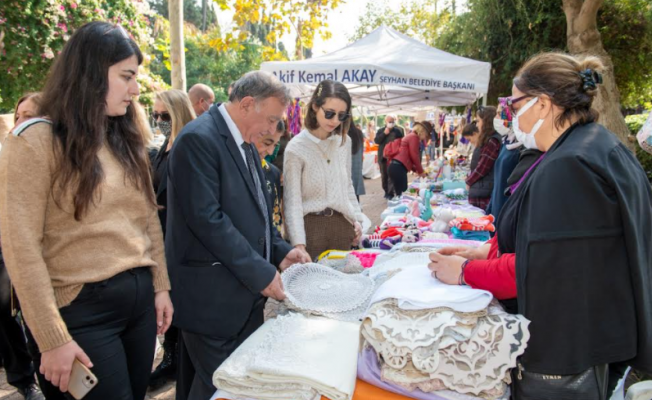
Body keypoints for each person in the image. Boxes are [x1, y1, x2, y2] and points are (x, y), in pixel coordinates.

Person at [429, 52, 652, 399]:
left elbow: (542, 268)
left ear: (544, 105)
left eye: (515, 107)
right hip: (592, 336)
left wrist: (465, 271)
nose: (511, 117)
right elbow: (553, 242)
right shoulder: (591, 146)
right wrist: (483, 251)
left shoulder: (570, 165)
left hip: (565, 353)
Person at [0, 21, 173, 400]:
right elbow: (20, 246)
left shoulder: (123, 137)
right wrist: (50, 338)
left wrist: (160, 286)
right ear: (92, 73)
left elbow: (147, 219)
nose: (136, 87)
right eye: (126, 76)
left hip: (140, 306)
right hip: (80, 314)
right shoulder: (33, 141)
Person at [165, 71, 311, 400]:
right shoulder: (198, 139)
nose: (274, 130)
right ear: (247, 104)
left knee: (228, 385)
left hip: (240, 298)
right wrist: (262, 273)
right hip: (211, 299)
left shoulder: (243, 141)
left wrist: (280, 251)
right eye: (272, 119)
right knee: (224, 386)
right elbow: (208, 221)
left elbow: (257, 212)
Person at [284, 80, 365, 260]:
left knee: (345, 285)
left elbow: (347, 187)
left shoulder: (345, 142)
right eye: (329, 113)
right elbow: (292, 201)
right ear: (315, 106)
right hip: (310, 231)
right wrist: (299, 243)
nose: (335, 121)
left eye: (341, 115)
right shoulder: (295, 148)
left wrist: (358, 220)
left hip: (343, 228)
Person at [148, 89, 196, 389]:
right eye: (155, 115)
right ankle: (170, 357)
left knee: (176, 300)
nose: (159, 120)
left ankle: (175, 361)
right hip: (159, 235)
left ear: (178, 112)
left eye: (164, 116)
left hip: (178, 237)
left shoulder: (188, 144)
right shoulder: (165, 145)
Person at [0, 94, 46, 400]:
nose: (20, 122)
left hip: (39, 254)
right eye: (17, 116)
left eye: (28, 115)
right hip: (5, 248)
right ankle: (23, 379)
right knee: (4, 312)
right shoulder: (8, 151)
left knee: (36, 319)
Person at [486, 103, 522, 220]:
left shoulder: (519, 147)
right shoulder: (507, 143)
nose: (496, 118)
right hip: (497, 209)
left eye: (499, 114)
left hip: (505, 212)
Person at [464, 107, 501, 210]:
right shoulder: (487, 139)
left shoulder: (492, 141)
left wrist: (469, 180)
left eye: (479, 121)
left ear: (486, 121)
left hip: (483, 191)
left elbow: (482, 167)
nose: (477, 124)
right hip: (481, 189)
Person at [254, 120, 286, 231]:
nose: (271, 152)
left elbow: (275, 220)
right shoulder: (233, 167)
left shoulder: (273, 173)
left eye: (275, 145)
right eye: (267, 143)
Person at [388, 121, 431, 197]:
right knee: (403, 194)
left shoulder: (411, 136)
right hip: (398, 167)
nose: (425, 137)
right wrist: (421, 171)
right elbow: (414, 156)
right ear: (423, 131)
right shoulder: (414, 137)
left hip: (396, 166)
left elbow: (410, 157)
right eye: (426, 135)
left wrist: (417, 170)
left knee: (401, 194)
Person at [375, 115, 404, 199]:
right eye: (389, 121)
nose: (391, 123)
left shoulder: (397, 131)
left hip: (393, 157)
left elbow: (401, 142)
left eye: (392, 121)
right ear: (386, 122)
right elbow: (376, 141)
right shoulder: (381, 130)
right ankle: (386, 191)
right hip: (382, 157)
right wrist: (384, 133)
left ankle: (390, 192)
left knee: (391, 175)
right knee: (384, 175)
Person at [348, 123, 366, 202]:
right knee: (355, 195)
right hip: (356, 169)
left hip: (347, 171)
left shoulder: (341, 133)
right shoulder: (358, 132)